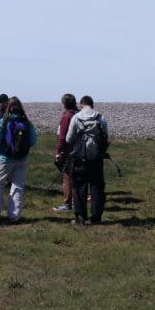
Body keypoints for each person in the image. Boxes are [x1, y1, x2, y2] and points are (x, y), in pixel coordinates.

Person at [0, 96, 37, 223]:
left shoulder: (4, 121)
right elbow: (33, 140)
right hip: (22, 159)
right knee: (18, 186)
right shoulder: (26, 123)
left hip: (4, 158)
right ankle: (14, 215)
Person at [66, 95, 108, 225]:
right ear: (92, 104)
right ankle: (96, 217)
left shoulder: (76, 118)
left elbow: (68, 139)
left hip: (80, 158)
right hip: (96, 158)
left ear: (81, 105)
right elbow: (105, 137)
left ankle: (80, 217)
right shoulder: (100, 117)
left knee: (79, 187)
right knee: (96, 187)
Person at [53, 93, 78, 212]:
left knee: (67, 177)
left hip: (68, 151)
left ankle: (68, 204)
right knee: (77, 176)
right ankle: (78, 201)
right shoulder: (78, 114)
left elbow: (62, 136)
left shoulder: (67, 116)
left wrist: (58, 151)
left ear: (64, 104)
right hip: (79, 150)